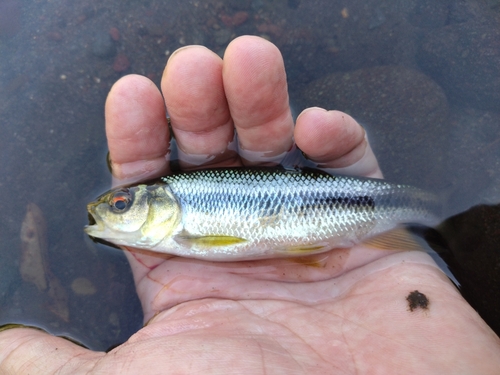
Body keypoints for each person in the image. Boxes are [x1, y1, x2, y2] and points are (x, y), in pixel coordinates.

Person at [1, 35, 499, 374]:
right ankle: (436, 209)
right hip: (339, 214)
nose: (110, 211)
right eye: (118, 205)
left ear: (156, 203)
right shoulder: (180, 220)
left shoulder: (186, 227)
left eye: (122, 204)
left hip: (336, 208)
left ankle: (436, 209)